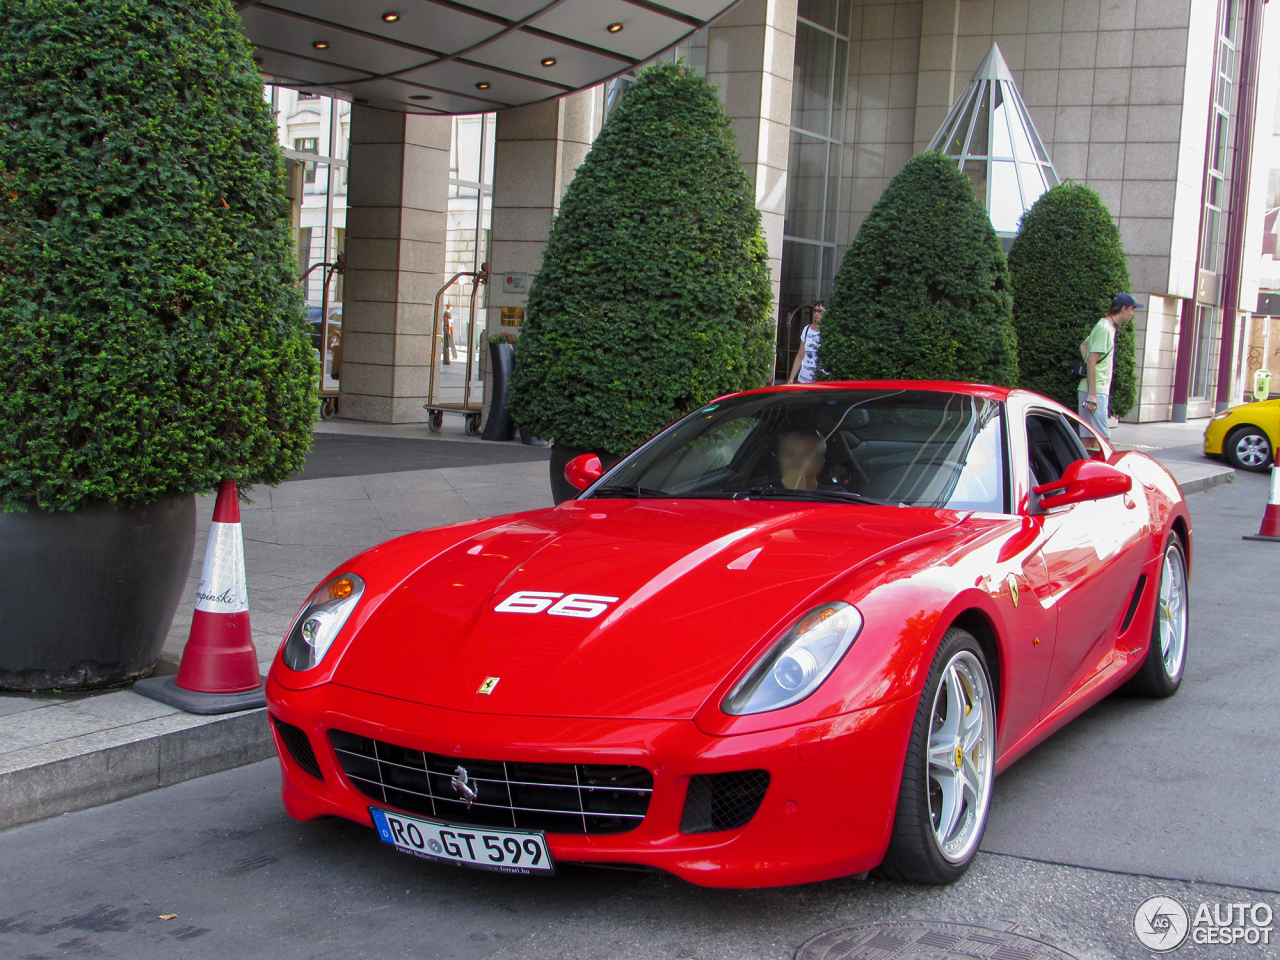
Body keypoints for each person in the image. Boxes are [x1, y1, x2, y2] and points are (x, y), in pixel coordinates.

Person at [1078, 293, 1142, 447]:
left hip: (1091, 389)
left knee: (1087, 440)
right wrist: (1093, 394)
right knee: (1103, 441)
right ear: (1123, 308)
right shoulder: (1105, 329)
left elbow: (1084, 345)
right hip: (1095, 391)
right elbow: (1092, 361)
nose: (1133, 314)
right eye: (1132, 309)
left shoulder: (1105, 326)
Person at [788, 301, 825, 384]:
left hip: (820, 380)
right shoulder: (807, 329)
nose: (816, 313)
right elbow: (800, 355)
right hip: (804, 379)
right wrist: (791, 379)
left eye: (820, 311)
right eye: (814, 310)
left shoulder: (828, 331)